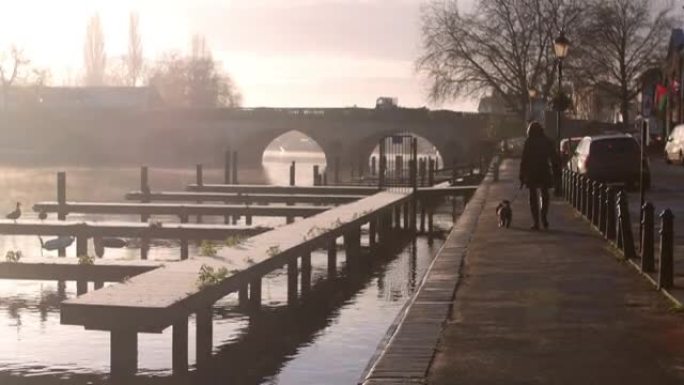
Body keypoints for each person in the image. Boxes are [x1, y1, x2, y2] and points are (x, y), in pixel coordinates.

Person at [519, 121, 560, 230]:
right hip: (544, 170)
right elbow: (554, 158)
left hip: (532, 172)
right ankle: (543, 215)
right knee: (545, 194)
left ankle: (536, 222)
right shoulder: (547, 141)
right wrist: (556, 174)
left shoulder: (529, 142)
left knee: (533, 196)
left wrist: (522, 175)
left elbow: (524, 160)